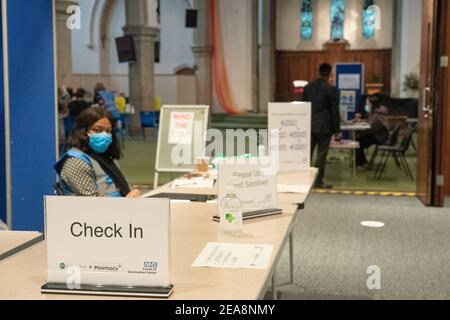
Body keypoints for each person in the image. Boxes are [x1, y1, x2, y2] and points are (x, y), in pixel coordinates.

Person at [54, 107, 140, 198]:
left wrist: (133, 193)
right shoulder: (75, 161)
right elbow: (94, 203)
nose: (104, 135)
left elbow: (123, 187)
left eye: (108, 131)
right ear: (83, 131)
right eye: (97, 130)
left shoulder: (107, 158)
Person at [303, 63, 341, 189]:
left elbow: (302, 107)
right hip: (324, 126)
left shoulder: (308, 87)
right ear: (329, 74)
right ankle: (318, 180)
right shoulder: (331, 89)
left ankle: (304, 179)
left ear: (318, 72)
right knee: (321, 154)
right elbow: (334, 111)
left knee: (307, 153)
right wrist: (337, 130)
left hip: (309, 124)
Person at [355, 96, 390, 168]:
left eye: (367, 104)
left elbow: (372, 129)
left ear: (372, 104)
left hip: (379, 137)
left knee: (357, 142)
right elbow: (369, 122)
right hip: (377, 135)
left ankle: (360, 162)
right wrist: (361, 121)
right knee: (358, 139)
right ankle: (362, 161)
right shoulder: (374, 112)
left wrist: (361, 132)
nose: (366, 106)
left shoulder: (378, 115)